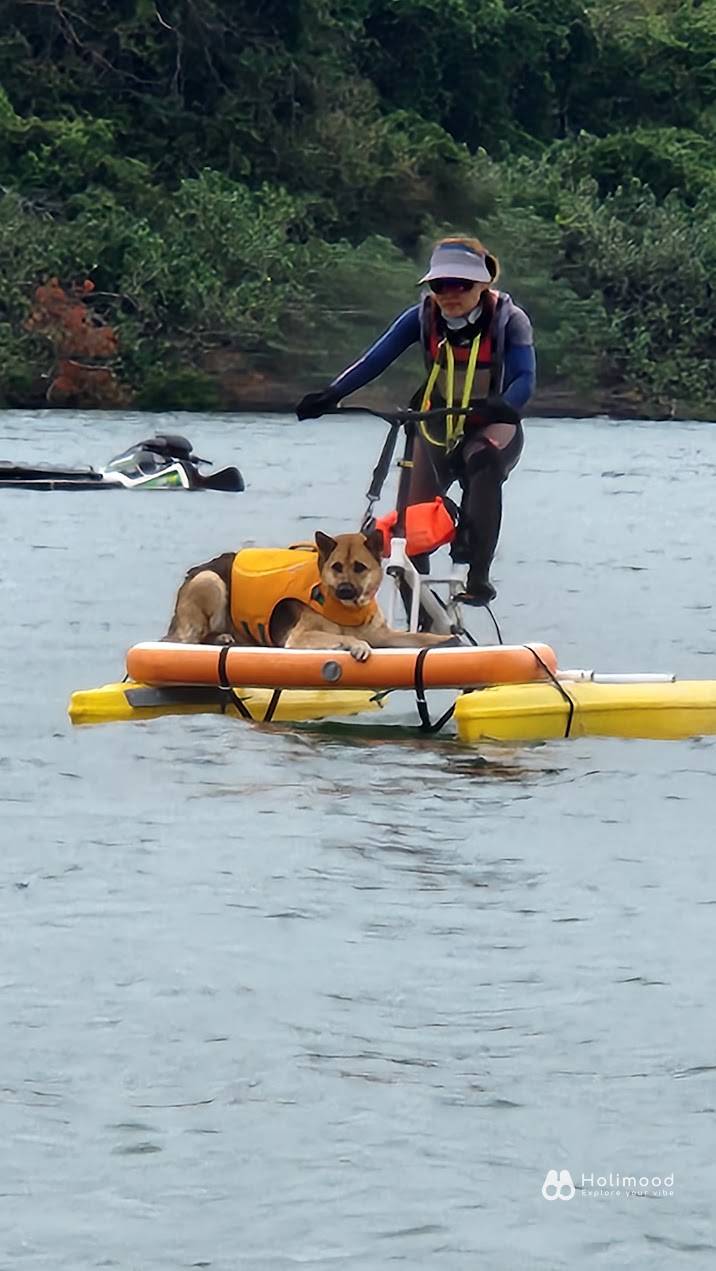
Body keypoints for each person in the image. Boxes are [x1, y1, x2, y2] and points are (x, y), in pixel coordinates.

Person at [296, 236, 535, 605]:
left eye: (462, 285)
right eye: (440, 285)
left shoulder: (508, 320)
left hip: (491, 422)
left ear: (483, 284)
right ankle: (417, 625)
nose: (450, 295)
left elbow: (525, 377)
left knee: (483, 462)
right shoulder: (422, 317)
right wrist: (330, 395)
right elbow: (373, 360)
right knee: (410, 523)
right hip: (436, 422)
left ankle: (477, 577)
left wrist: (505, 404)